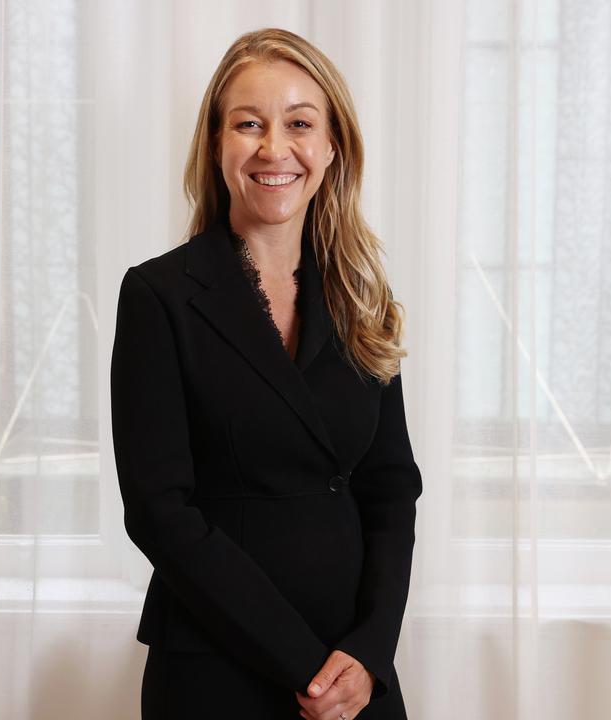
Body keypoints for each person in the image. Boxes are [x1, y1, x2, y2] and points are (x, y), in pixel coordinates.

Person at [110, 27, 421, 720]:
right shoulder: (159, 296)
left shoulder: (362, 295)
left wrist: (370, 652)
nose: (274, 148)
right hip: (216, 667)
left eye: (299, 123)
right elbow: (159, 512)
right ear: (217, 145)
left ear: (332, 145)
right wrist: (303, 665)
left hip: (354, 675)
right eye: (248, 124)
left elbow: (391, 489)